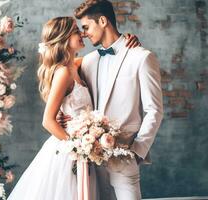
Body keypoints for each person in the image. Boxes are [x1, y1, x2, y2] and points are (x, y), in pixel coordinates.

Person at [8, 16, 139, 200]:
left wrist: (126, 41)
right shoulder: (63, 73)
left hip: (84, 149)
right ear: (64, 38)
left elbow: (109, 52)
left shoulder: (75, 65)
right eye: (76, 31)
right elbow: (48, 121)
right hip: (71, 152)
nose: (83, 34)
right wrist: (80, 147)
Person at [71, 0, 164, 199]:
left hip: (123, 156)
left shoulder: (141, 57)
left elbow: (154, 110)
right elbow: (59, 77)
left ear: (103, 20)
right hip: (91, 160)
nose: (84, 33)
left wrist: (137, 151)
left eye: (86, 27)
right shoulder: (87, 61)